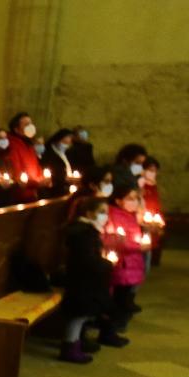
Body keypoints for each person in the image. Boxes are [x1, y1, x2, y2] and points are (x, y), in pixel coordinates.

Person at [58, 197, 121, 363]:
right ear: (88, 213)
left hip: (85, 279)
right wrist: (106, 264)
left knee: (82, 314)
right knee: (78, 315)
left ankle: (76, 344)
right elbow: (85, 259)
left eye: (106, 213)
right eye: (101, 212)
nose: (105, 216)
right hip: (81, 280)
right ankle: (70, 347)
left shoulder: (87, 230)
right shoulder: (83, 233)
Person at [103, 184, 146, 321]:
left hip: (132, 263)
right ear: (118, 200)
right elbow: (113, 240)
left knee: (125, 298)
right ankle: (110, 330)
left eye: (136, 198)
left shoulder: (130, 216)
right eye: (130, 198)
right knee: (118, 300)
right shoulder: (113, 216)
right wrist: (138, 247)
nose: (134, 202)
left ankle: (117, 325)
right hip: (122, 264)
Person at [5, 112, 48, 203]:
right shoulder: (12, 145)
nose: (31, 127)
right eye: (26, 124)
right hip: (19, 195)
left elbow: (36, 166)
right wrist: (36, 183)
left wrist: (43, 179)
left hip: (32, 193)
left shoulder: (28, 145)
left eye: (31, 124)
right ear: (16, 129)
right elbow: (16, 171)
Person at [40, 128, 75, 198]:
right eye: (64, 142)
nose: (67, 144)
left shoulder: (66, 153)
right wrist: (66, 178)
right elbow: (52, 172)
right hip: (56, 190)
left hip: (66, 187)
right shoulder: (49, 154)